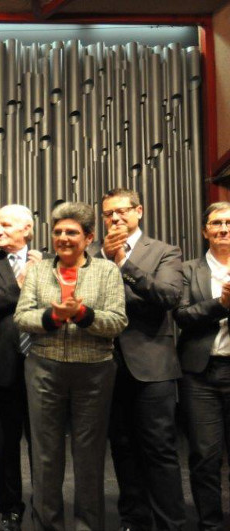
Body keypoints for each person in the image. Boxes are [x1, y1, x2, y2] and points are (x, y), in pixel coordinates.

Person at [15, 201, 127, 531]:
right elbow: (21, 317)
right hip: (44, 370)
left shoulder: (107, 271)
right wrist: (52, 317)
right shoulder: (37, 270)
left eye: (72, 232)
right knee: (46, 455)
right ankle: (47, 524)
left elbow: (118, 321)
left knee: (89, 456)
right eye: (58, 231)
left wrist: (81, 315)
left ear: (89, 237)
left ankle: (87, 525)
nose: (63, 237)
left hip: (94, 371)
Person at [90, 188, 186, 531]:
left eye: (121, 212)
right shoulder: (92, 253)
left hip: (152, 365)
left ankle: (171, 523)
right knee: (123, 446)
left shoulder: (164, 251)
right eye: (107, 214)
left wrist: (124, 265)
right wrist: (104, 259)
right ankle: (134, 519)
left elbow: (169, 296)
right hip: (104, 364)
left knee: (159, 449)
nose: (114, 219)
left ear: (139, 211)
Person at [0, 204, 45, 531]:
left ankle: (46, 506)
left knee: (46, 446)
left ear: (27, 230)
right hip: (0, 367)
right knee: (5, 445)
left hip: (46, 367)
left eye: (6, 226)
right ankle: (10, 508)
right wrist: (19, 282)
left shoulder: (50, 262)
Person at [174, 201, 230, 530]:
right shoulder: (187, 270)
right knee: (205, 458)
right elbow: (182, 316)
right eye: (217, 223)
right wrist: (220, 305)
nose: (224, 229)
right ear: (205, 230)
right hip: (201, 375)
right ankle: (210, 524)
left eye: (229, 223)